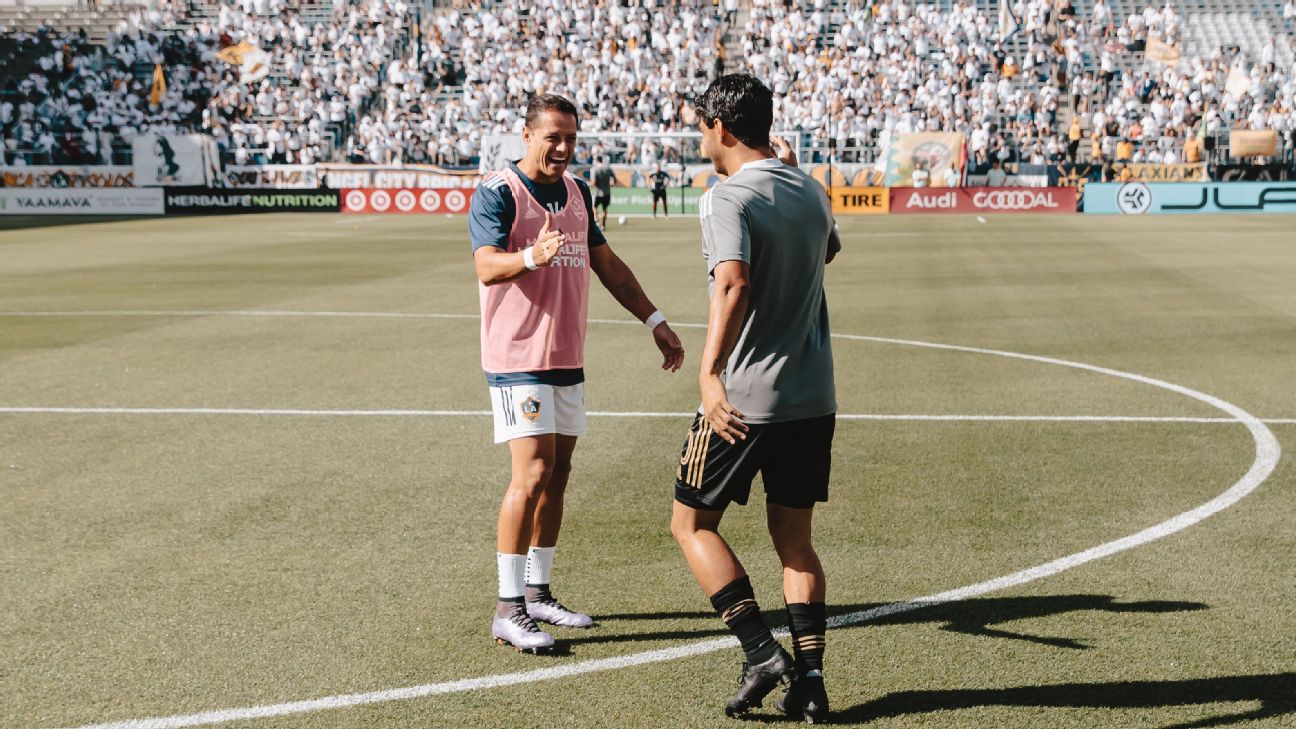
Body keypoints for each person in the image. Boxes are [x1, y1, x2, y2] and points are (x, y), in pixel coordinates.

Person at [469, 94, 686, 653]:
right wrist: (530, 258)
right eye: (553, 138)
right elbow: (486, 265)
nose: (563, 149)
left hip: (566, 356)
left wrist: (654, 319)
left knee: (559, 472)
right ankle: (508, 607)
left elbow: (606, 264)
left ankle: (538, 593)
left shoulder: (576, 191)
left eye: (571, 138)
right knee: (532, 473)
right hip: (519, 358)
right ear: (527, 134)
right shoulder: (498, 191)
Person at [671, 74, 840, 721]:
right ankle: (813, 680)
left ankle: (762, 651)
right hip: (813, 396)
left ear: (720, 127)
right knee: (795, 542)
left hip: (745, 398)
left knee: (690, 522)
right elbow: (824, 252)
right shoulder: (812, 188)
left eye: (701, 126)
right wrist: (794, 177)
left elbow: (733, 285)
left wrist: (709, 372)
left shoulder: (726, 197)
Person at [591, 156, 614, 229]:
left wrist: (587, 184)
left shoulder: (594, 169)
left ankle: (597, 221)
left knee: (594, 207)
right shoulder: (608, 169)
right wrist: (610, 184)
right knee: (604, 209)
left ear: (596, 161)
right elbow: (614, 180)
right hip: (607, 192)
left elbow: (593, 182)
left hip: (598, 192)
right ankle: (603, 226)